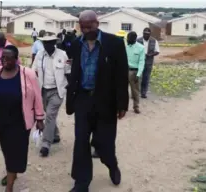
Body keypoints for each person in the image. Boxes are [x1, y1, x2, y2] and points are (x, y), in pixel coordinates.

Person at [66, 10, 129, 192]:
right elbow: (74, 71)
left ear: (97, 23)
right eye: (82, 27)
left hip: (106, 102)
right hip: (83, 100)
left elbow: (121, 75)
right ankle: (81, 182)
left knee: (104, 143)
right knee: (81, 142)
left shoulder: (114, 43)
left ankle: (112, 164)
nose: (86, 30)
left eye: (89, 26)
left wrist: (122, 104)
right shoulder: (77, 44)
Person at [0, 45, 45, 192]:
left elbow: (37, 96)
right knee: (7, 149)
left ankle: (10, 186)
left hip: (20, 120)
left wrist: (39, 118)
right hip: (0, 121)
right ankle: (12, 172)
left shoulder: (28, 74)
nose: (4, 60)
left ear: (16, 59)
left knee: (15, 150)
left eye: (8, 58)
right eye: (2, 57)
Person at [32, 35, 71, 157]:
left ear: (54, 43)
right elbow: (33, 71)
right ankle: (55, 134)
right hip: (43, 90)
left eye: (49, 43)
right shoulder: (40, 54)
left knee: (49, 115)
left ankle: (46, 144)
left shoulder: (62, 54)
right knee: (48, 115)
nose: (47, 45)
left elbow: (68, 72)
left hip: (57, 91)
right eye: (45, 43)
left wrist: (70, 90)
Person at [0, 32, 20, 131]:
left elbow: (17, 63)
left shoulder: (10, 48)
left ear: (4, 40)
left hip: (10, 76)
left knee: (8, 99)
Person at [137, 28, 160, 98]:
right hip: (139, 62)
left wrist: (150, 55)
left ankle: (143, 93)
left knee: (146, 78)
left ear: (150, 34)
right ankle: (136, 93)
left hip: (149, 62)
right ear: (143, 33)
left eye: (147, 34)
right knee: (138, 77)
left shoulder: (154, 41)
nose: (146, 35)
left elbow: (157, 51)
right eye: (145, 34)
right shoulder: (138, 40)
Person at [126, 31, 145, 114]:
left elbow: (141, 62)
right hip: (125, 71)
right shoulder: (125, 47)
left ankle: (136, 106)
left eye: (129, 39)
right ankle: (123, 108)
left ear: (134, 39)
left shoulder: (141, 48)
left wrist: (138, 74)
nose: (127, 40)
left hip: (135, 72)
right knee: (123, 91)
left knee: (135, 91)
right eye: (127, 38)